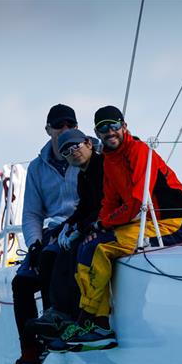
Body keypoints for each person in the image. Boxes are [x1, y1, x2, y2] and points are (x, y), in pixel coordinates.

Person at [49, 105, 182, 352]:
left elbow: (138, 202)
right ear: (97, 133)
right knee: (87, 247)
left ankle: (92, 323)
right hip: (143, 224)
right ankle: (95, 324)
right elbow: (109, 201)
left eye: (114, 125)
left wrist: (103, 224)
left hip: (173, 224)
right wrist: (98, 225)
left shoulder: (139, 152)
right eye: (103, 128)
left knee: (99, 248)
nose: (110, 132)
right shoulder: (108, 159)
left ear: (124, 126)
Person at [0, 104, 80, 364]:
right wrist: (32, 244)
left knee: (50, 261)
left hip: (81, 226)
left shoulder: (89, 155)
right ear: (48, 130)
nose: (65, 129)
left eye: (71, 124)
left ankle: (55, 329)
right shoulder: (37, 167)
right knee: (21, 282)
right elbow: (32, 213)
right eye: (59, 125)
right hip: (50, 231)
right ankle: (30, 357)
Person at [25, 128, 105, 343]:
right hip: (76, 224)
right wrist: (66, 228)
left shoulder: (101, 164)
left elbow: (102, 205)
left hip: (104, 223)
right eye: (67, 151)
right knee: (44, 258)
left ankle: (76, 317)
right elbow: (84, 207)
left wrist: (80, 228)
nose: (73, 152)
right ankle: (50, 321)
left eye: (76, 146)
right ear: (48, 129)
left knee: (69, 253)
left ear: (89, 143)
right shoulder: (81, 173)